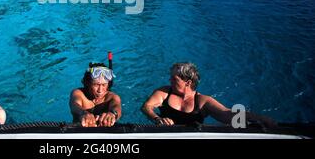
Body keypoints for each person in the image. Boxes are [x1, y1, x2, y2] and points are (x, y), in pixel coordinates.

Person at [141, 62, 277, 128]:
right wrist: (157, 119)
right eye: (170, 77)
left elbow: (228, 115)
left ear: (188, 82)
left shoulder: (202, 101)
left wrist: (260, 118)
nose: (169, 81)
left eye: (174, 79)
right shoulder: (164, 92)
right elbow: (147, 107)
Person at [69, 63, 122, 127]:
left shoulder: (112, 97)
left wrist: (112, 114)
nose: (100, 90)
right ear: (87, 83)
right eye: (96, 85)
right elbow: (75, 106)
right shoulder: (78, 93)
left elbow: (116, 107)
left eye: (104, 85)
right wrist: (83, 113)